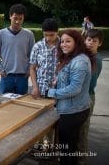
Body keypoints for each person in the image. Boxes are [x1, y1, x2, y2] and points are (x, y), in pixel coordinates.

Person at [46, 29, 95, 165]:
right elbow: (70, 81)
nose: (63, 44)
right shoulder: (74, 57)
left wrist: (52, 93)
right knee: (71, 147)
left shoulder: (79, 61)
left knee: (66, 150)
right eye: (62, 41)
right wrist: (58, 82)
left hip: (73, 111)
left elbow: (74, 89)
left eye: (68, 41)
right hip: (75, 109)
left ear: (77, 42)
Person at [0, 4, 35, 95]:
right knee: (4, 104)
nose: (17, 21)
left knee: (21, 105)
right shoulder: (0, 34)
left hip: (22, 77)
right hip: (7, 76)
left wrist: (28, 71)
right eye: (15, 18)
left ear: (23, 18)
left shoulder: (29, 35)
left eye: (20, 19)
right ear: (10, 16)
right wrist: (1, 70)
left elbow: (32, 56)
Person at [78, 28, 104, 165]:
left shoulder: (96, 60)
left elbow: (87, 84)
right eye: (88, 40)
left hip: (87, 97)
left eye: (94, 41)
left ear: (99, 43)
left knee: (83, 129)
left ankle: (81, 159)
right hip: (76, 96)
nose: (90, 43)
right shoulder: (83, 55)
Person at [30, 18, 59, 98]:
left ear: (57, 32)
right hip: (41, 89)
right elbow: (32, 68)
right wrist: (35, 87)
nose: (48, 38)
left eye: (52, 35)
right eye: (46, 35)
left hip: (59, 89)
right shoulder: (37, 46)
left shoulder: (63, 46)